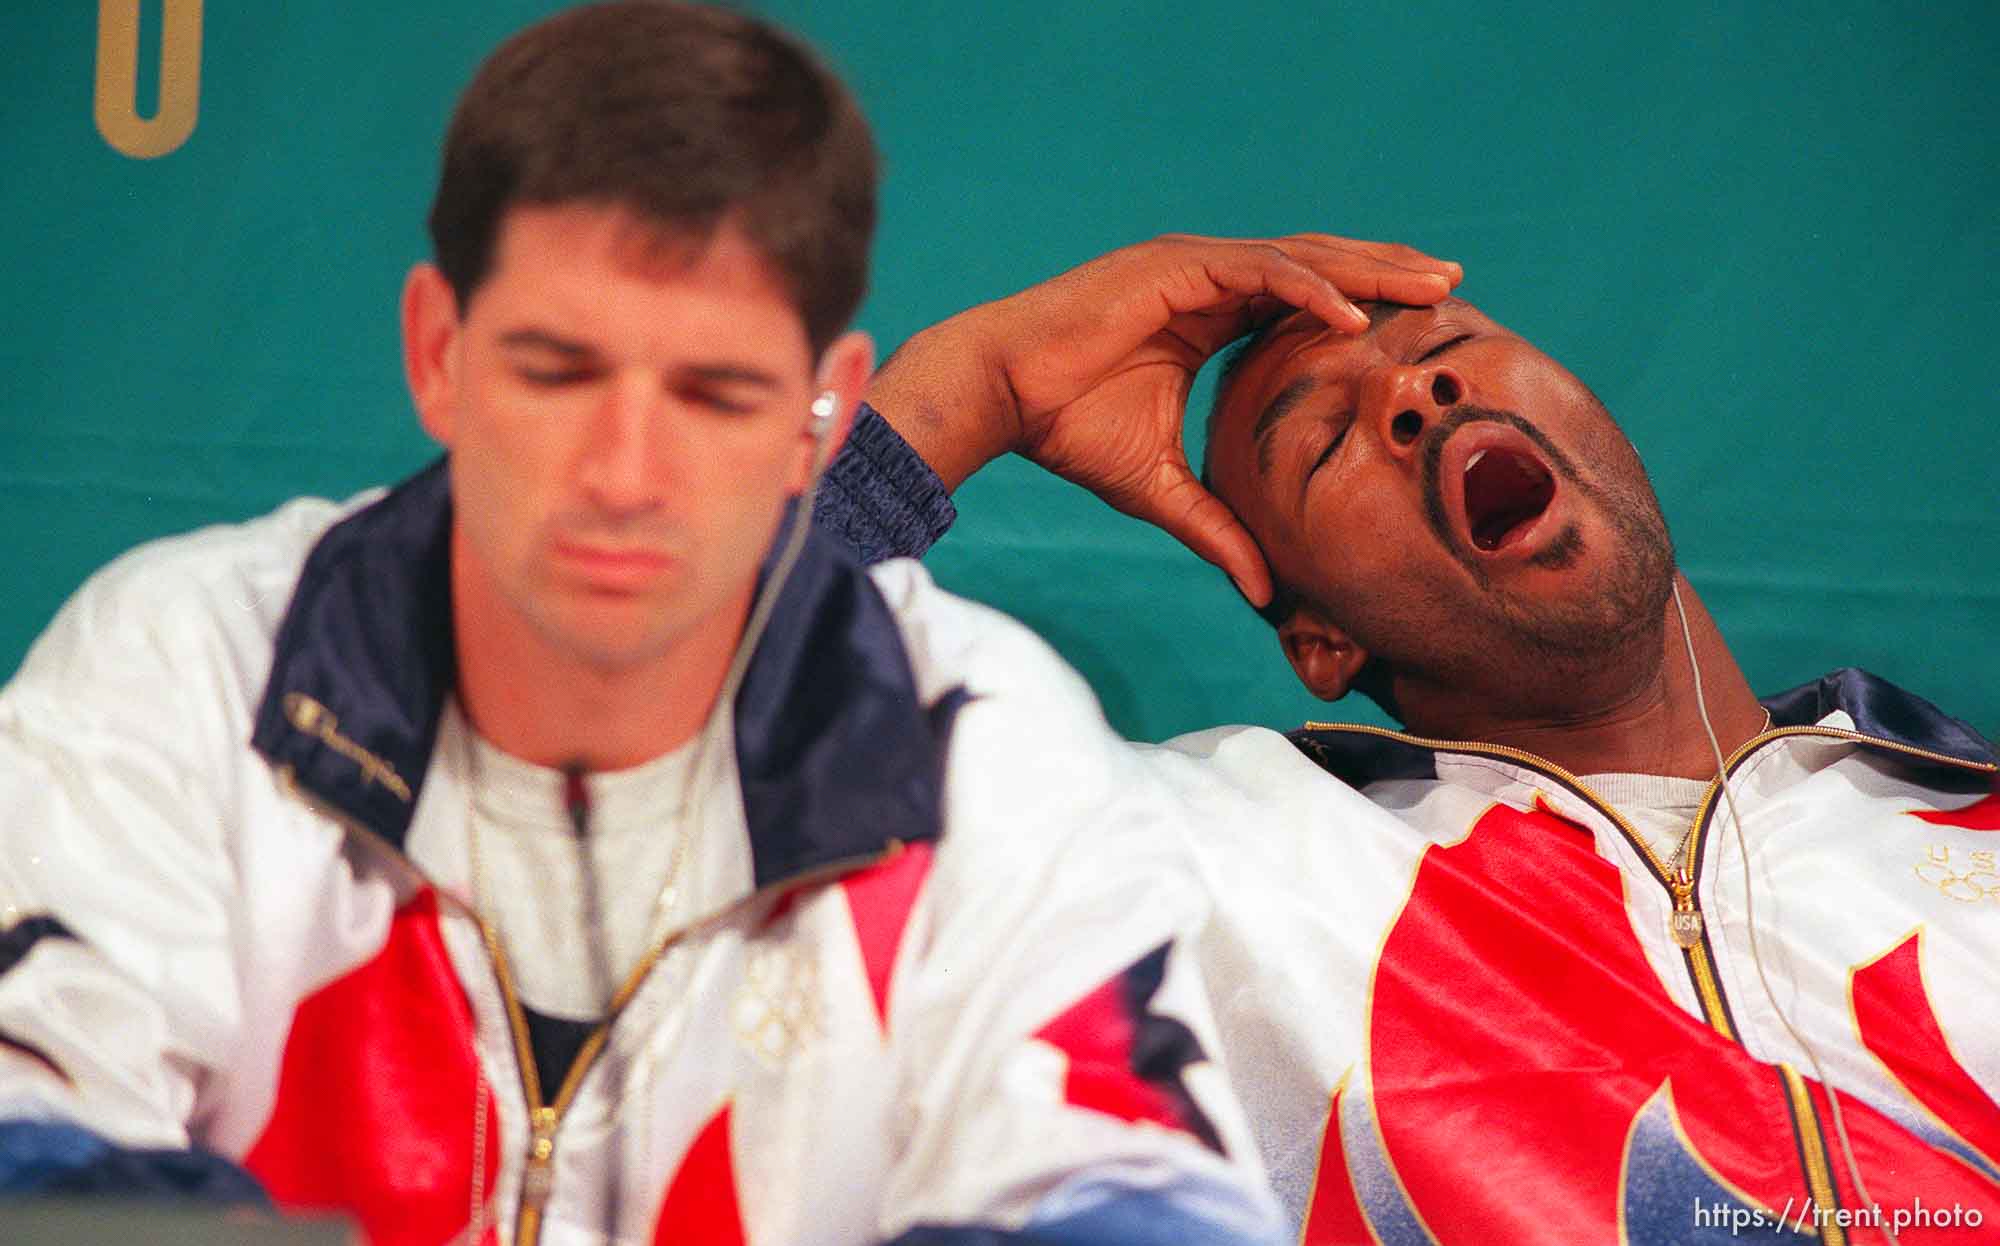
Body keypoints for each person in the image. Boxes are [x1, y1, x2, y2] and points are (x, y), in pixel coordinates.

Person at [0, 10, 1441, 1244]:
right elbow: (26, 1154)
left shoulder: (983, 744)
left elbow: (1124, 1200)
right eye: (559, 372)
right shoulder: (188, 660)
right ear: (438, 353)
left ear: (828, 404)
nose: (626, 474)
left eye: (715, 394)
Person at [815, 238, 2000, 1241]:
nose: (1413, 396)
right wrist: (972, 382)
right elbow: (682, 745)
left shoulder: (1973, 832)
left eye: (1446, 353)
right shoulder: (1204, 861)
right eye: (1322, 443)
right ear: (1317, 639)